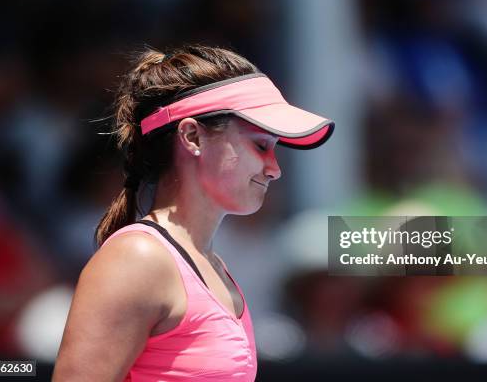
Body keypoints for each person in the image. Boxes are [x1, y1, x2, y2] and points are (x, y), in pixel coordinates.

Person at [52, 45, 334, 381]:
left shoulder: (213, 268)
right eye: (260, 145)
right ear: (191, 136)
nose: (274, 169)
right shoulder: (138, 260)